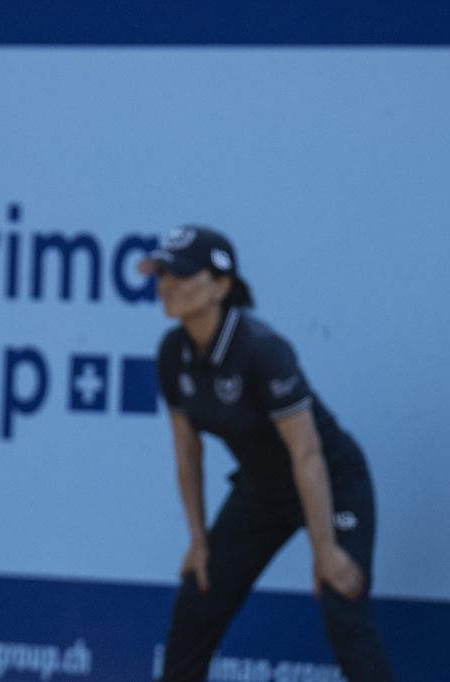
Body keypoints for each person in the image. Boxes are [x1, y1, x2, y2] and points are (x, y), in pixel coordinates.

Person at [143, 225, 394, 681]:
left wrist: (325, 549)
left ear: (221, 286)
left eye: (179, 274)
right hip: (261, 490)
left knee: (344, 610)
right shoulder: (172, 352)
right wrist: (199, 542)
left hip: (331, 482)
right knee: (196, 604)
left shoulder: (262, 350)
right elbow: (187, 453)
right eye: (160, 274)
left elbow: (308, 454)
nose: (165, 285)